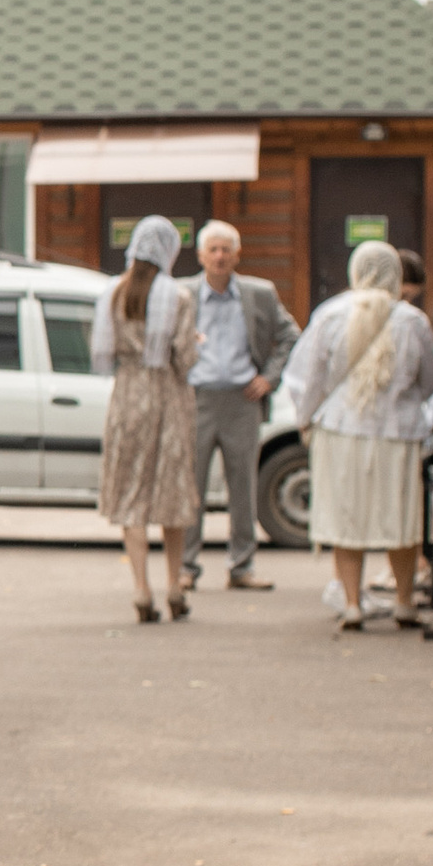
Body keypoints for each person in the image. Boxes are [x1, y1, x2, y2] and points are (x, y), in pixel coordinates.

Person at [286, 236, 433, 629]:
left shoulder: (331, 313)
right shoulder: (412, 320)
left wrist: (305, 418)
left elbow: (307, 377)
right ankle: (405, 602)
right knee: (402, 519)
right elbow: (429, 383)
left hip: (341, 430)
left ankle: (353, 603)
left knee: (345, 518)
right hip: (397, 433)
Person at [93, 219, 201, 624]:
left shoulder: (113, 293)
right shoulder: (179, 297)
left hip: (127, 395)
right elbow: (185, 358)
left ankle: (141, 590)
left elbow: (105, 349)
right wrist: (197, 345)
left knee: (132, 493)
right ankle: (175, 586)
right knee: (171, 490)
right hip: (168, 396)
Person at [181, 220, 295, 593]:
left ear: (236, 255)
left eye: (225, 249)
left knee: (243, 486)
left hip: (243, 400)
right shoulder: (184, 294)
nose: (219, 256)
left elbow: (289, 335)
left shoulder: (258, 294)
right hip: (197, 399)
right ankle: (185, 566)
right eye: (212, 249)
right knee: (190, 486)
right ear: (200, 255)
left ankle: (242, 566)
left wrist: (269, 378)